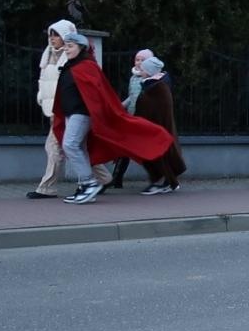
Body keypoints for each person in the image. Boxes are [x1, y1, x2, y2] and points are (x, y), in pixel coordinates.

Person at [52, 30, 174, 205]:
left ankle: (89, 183)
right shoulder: (72, 66)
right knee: (79, 147)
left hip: (81, 112)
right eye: (66, 46)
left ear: (81, 48)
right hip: (72, 112)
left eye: (71, 46)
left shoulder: (86, 66)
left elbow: (98, 93)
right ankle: (85, 187)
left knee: (70, 145)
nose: (67, 49)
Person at [28, 21, 111, 199]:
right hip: (59, 111)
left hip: (74, 111)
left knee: (61, 146)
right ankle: (100, 179)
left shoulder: (78, 61)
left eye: (56, 35)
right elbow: (45, 82)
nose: (52, 39)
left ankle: (52, 187)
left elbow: (89, 88)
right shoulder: (49, 55)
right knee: (75, 146)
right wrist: (43, 99)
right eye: (50, 35)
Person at [133, 56, 187, 194]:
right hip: (154, 127)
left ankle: (166, 181)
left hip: (157, 129)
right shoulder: (153, 85)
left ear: (149, 71)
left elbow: (158, 109)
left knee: (159, 154)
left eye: (143, 69)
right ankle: (165, 181)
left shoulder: (158, 87)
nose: (141, 71)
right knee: (155, 154)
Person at [108, 48, 154, 190]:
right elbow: (132, 96)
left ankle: (158, 177)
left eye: (142, 60)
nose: (139, 63)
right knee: (125, 149)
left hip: (144, 119)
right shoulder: (133, 78)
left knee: (146, 150)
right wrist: (121, 106)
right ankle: (116, 179)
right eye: (137, 60)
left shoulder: (151, 80)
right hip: (131, 117)